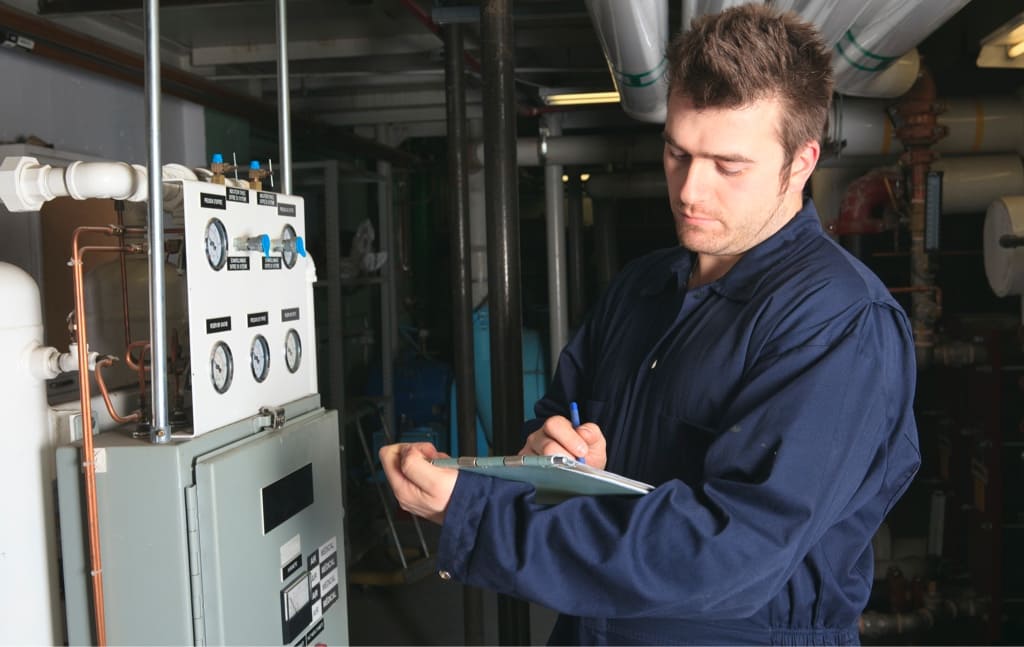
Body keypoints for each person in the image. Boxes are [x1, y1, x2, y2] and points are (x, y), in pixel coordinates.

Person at [380, 4, 921, 644]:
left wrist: (475, 512)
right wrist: (551, 454)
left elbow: (730, 553)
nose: (690, 190)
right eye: (676, 152)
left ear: (800, 162)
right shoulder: (643, 286)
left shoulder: (838, 322)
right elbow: (558, 413)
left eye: (727, 165)